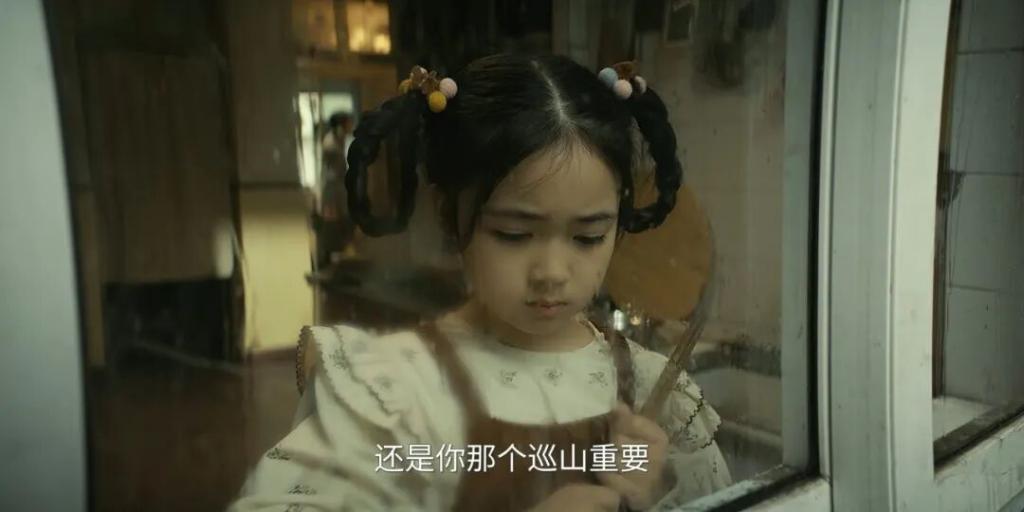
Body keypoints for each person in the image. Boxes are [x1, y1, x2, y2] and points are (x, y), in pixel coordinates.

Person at [230, 54, 731, 512]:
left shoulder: (654, 392)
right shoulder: (390, 391)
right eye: (513, 234)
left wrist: (652, 496)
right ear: (450, 215)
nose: (552, 272)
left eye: (588, 237)